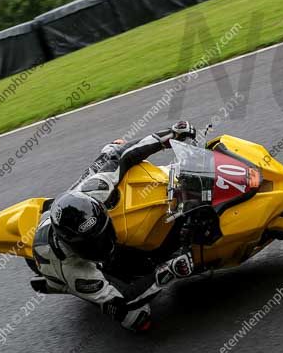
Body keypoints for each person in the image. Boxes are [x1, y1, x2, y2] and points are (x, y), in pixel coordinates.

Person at [30, 121, 198, 332]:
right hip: (58, 268)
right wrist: (168, 272)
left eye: (101, 232)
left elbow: (124, 156)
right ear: (75, 245)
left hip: (65, 206)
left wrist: (168, 136)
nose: (102, 242)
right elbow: (124, 298)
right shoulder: (75, 271)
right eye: (93, 242)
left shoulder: (92, 192)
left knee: (112, 155)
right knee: (137, 318)